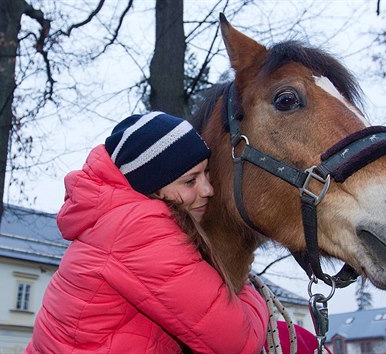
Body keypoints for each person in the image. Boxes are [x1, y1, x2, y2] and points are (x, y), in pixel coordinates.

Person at [25, 112, 269, 353]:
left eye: (206, 173)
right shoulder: (139, 229)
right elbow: (238, 342)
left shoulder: (112, 220)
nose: (208, 189)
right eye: (189, 181)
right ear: (152, 186)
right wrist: (244, 283)